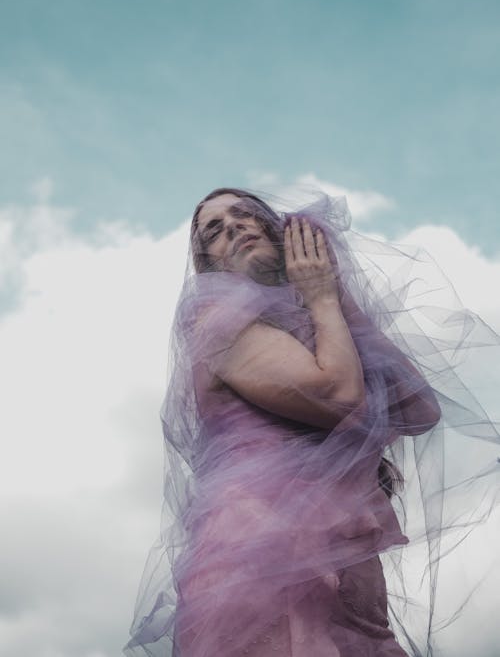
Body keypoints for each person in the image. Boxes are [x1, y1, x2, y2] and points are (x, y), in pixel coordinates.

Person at [123, 186, 500, 657]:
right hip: (258, 554)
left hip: (339, 562)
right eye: (213, 231)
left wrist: (332, 291)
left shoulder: (316, 324)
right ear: (209, 264)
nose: (234, 227)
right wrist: (321, 297)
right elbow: (339, 398)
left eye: (245, 215)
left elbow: (419, 410)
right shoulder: (214, 319)